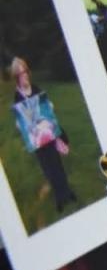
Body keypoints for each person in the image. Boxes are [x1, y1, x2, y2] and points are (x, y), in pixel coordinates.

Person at [10, 56, 78, 213]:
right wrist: (19, 124)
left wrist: (50, 106)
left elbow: (46, 106)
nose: (24, 75)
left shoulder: (35, 88)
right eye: (20, 74)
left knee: (58, 165)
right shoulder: (17, 96)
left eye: (25, 71)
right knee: (48, 168)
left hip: (49, 133)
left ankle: (68, 192)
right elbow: (20, 119)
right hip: (36, 139)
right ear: (16, 77)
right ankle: (60, 197)